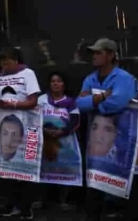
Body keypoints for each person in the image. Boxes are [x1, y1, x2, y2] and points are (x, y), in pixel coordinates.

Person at [76, 38, 138, 221]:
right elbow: (79, 104)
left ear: (111, 55)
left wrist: (93, 102)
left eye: (98, 52)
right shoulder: (90, 78)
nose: (94, 56)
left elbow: (117, 104)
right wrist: (102, 96)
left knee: (125, 184)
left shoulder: (125, 78)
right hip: (96, 141)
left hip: (123, 140)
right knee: (95, 186)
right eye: (93, 53)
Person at [0, 47, 41, 220]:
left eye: (8, 61)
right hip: (4, 124)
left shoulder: (28, 73)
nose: (4, 65)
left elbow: (33, 101)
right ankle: (10, 205)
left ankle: (26, 207)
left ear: (16, 60)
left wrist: (16, 105)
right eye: (2, 61)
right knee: (7, 165)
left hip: (26, 124)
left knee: (24, 164)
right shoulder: (0, 77)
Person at [37, 71, 80, 212]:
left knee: (65, 170)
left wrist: (63, 131)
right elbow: (34, 117)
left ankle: (63, 201)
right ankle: (41, 200)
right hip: (44, 142)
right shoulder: (41, 99)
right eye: (53, 81)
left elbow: (75, 121)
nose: (55, 83)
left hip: (65, 143)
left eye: (59, 81)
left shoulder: (71, 102)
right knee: (42, 169)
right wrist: (43, 129)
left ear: (64, 84)